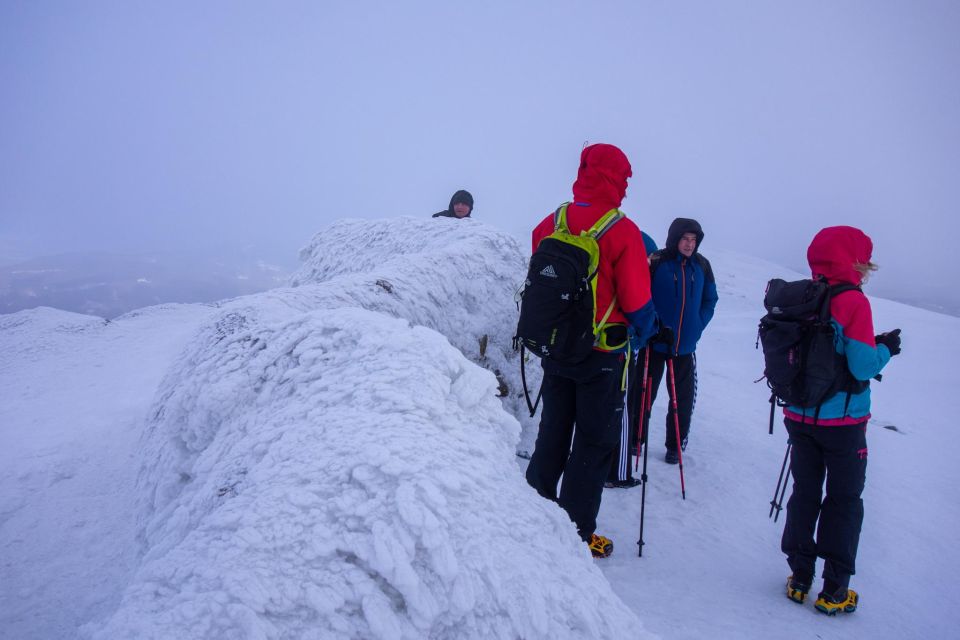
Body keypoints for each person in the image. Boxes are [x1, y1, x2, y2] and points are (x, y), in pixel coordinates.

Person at [524, 143, 657, 558]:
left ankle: (531, 516)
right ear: (615, 177)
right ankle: (575, 535)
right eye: (625, 179)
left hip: (557, 348)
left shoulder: (552, 221)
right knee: (592, 444)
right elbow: (636, 302)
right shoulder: (621, 229)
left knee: (552, 434)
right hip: (602, 354)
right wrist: (650, 329)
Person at [782, 226, 900, 615]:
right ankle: (834, 591)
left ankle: (799, 577)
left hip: (799, 415)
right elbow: (863, 366)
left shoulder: (803, 295)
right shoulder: (853, 302)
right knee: (844, 500)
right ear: (855, 260)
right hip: (844, 423)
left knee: (805, 492)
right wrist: (885, 348)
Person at [644, 218, 718, 464]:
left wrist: (697, 325)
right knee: (643, 394)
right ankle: (635, 439)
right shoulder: (657, 261)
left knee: (681, 400)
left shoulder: (702, 266)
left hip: (685, 346)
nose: (689, 244)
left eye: (693, 240)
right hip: (654, 342)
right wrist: (651, 325)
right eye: (685, 239)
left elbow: (710, 300)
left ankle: (675, 446)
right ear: (675, 239)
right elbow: (641, 295)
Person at [606, 231, 658, 489]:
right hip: (624, 350)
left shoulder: (610, 270)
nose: (650, 261)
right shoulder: (633, 276)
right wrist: (648, 332)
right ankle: (619, 472)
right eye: (648, 255)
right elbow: (638, 314)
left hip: (605, 350)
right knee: (623, 409)